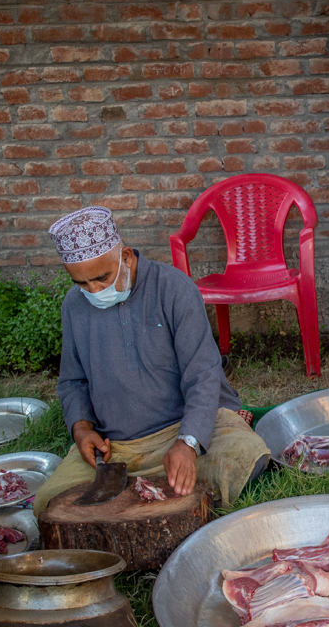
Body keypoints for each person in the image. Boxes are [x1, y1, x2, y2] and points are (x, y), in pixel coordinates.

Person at [33, 206, 270, 514]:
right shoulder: (74, 306)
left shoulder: (174, 289)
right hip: (116, 449)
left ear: (126, 256)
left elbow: (203, 373)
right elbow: (73, 381)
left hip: (185, 427)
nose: (94, 290)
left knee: (246, 457)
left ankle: (152, 488)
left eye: (102, 278)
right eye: (82, 283)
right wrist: (81, 429)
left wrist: (188, 443)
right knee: (49, 503)